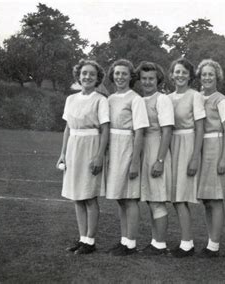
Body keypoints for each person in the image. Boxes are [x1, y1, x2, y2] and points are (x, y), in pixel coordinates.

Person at [57, 59, 109, 255]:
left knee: (89, 196)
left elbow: (105, 130)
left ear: (97, 79)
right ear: (78, 76)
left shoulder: (100, 100)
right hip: (73, 148)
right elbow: (67, 128)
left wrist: (99, 156)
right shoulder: (70, 100)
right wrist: (63, 154)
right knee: (76, 196)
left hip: (91, 147)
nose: (87, 77)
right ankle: (82, 238)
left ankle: (90, 241)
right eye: (84, 73)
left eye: (92, 74)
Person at [105, 59, 149, 256]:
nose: (120, 77)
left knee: (130, 198)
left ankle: (131, 243)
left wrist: (135, 161)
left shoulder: (136, 99)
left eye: (124, 73)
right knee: (120, 199)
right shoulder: (111, 99)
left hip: (127, 148)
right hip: (113, 149)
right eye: (117, 73)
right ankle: (124, 240)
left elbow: (140, 132)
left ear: (130, 76)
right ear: (112, 75)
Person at [168, 57, 205, 257]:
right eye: (177, 71)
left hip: (188, 144)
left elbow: (200, 128)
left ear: (190, 76)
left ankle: (187, 244)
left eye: (184, 72)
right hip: (172, 145)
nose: (180, 75)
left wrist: (195, 157)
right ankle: (185, 241)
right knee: (175, 197)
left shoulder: (195, 96)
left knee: (181, 197)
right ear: (172, 74)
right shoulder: (168, 97)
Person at [135, 61, 174, 255]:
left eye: (151, 78)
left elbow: (167, 131)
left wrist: (159, 160)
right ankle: (155, 241)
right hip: (144, 150)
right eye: (144, 78)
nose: (148, 82)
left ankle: (160, 244)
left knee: (158, 199)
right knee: (151, 199)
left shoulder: (162, 99)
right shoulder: (140, 100)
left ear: (158, 79)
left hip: (157, 149)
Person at [196, 59, 225, 257]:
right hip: (201, 147)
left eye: (211, 74)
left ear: (217, 77)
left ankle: (214, 245)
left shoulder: (222, 100)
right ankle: (211, 241)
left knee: (216, 199)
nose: (207, 78)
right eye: (204, 74)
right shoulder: (198, 97)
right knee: (207, 200)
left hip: (216, 146)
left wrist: (224, 156)